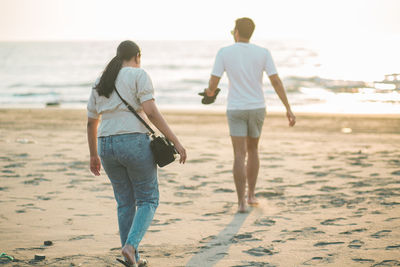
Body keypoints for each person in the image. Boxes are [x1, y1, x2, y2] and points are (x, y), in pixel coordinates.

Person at [86, 40, 187, 267]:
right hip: (134, 142)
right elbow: (150, 112)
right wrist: (175, 141)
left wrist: (93, 154)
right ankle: (130, 247)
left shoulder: (100, 81)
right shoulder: (139, 75)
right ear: (137, 56)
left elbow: (91, 122)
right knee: (148, 199)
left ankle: (131, 258)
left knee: (124, 203)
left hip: (105, 145)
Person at [204, 18, 296, 213]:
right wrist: (288, 108)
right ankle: (251, 195)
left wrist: (210, 93)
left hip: (236, 108)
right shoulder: (263, 52)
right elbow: (276, 81)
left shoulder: (224, 52)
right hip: (257, 107)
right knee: (253, 150)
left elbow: (213, 81)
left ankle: (240, 203)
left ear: (236, 32)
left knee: (239, 154)